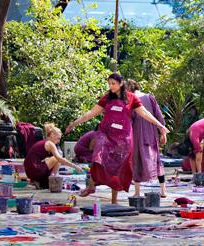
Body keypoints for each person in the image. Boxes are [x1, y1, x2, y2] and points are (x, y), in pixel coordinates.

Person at [66, 73, 170, 204]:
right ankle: (91, 186)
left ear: (121, 83)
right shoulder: (106, 99)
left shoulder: (131, 98)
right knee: (98, 154)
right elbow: (91, 113)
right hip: (106, 134)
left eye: (113, 83)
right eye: (109, 84)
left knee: (116, 168)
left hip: (123, 138)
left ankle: (114, 201)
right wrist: (75, 123)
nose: (111, 86)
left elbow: (145, 113)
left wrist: (160, 126)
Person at [126, 79, 167, 198]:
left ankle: (137, 192)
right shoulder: (149, 97)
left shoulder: (131, 99)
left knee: (136, 160)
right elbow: (158, 115)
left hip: (137, 133)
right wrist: (162, 132)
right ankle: (163, 190)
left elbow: (129, 119)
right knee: (156, 160)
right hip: (151, 132)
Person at [24, 123, 83, 188]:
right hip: (34, 170)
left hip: (29, 171)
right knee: (57, 159)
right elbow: (59, 159)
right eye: (58, 138)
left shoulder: (44, 143)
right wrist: (75, 166)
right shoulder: (50, 144)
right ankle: (52, 180)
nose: (58, 141)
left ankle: (41, 181)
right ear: (52, 135)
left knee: (53, 159)